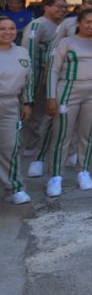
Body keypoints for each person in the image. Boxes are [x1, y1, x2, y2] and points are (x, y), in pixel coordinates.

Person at [44, 8, 92, 197]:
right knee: (62, 135)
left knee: (88, 134)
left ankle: (83, 171)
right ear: (79, 23)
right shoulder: (67, 42)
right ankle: (56, 176)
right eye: (88, 22)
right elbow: (53, 70)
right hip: (68, 90)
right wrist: (51, 96)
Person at [20, 0, 66, 170]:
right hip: (38, 79)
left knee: (47, 114)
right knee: (34, 114)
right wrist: (32, 80)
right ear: (46, 7)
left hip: (53, 79)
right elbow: (28, 54)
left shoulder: (61, 26)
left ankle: (39, 146)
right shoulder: (37, 25)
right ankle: (30, 147)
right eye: (58, 6)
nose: (62, 10)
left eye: (65, 8)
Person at [0, 16, 32, 204]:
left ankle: (15, 188)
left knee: (10, 147)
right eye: (2, 28)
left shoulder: (22, 52)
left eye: (11, 28)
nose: (7, 32)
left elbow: (28, 80)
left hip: (11, 105)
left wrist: (27, 103)